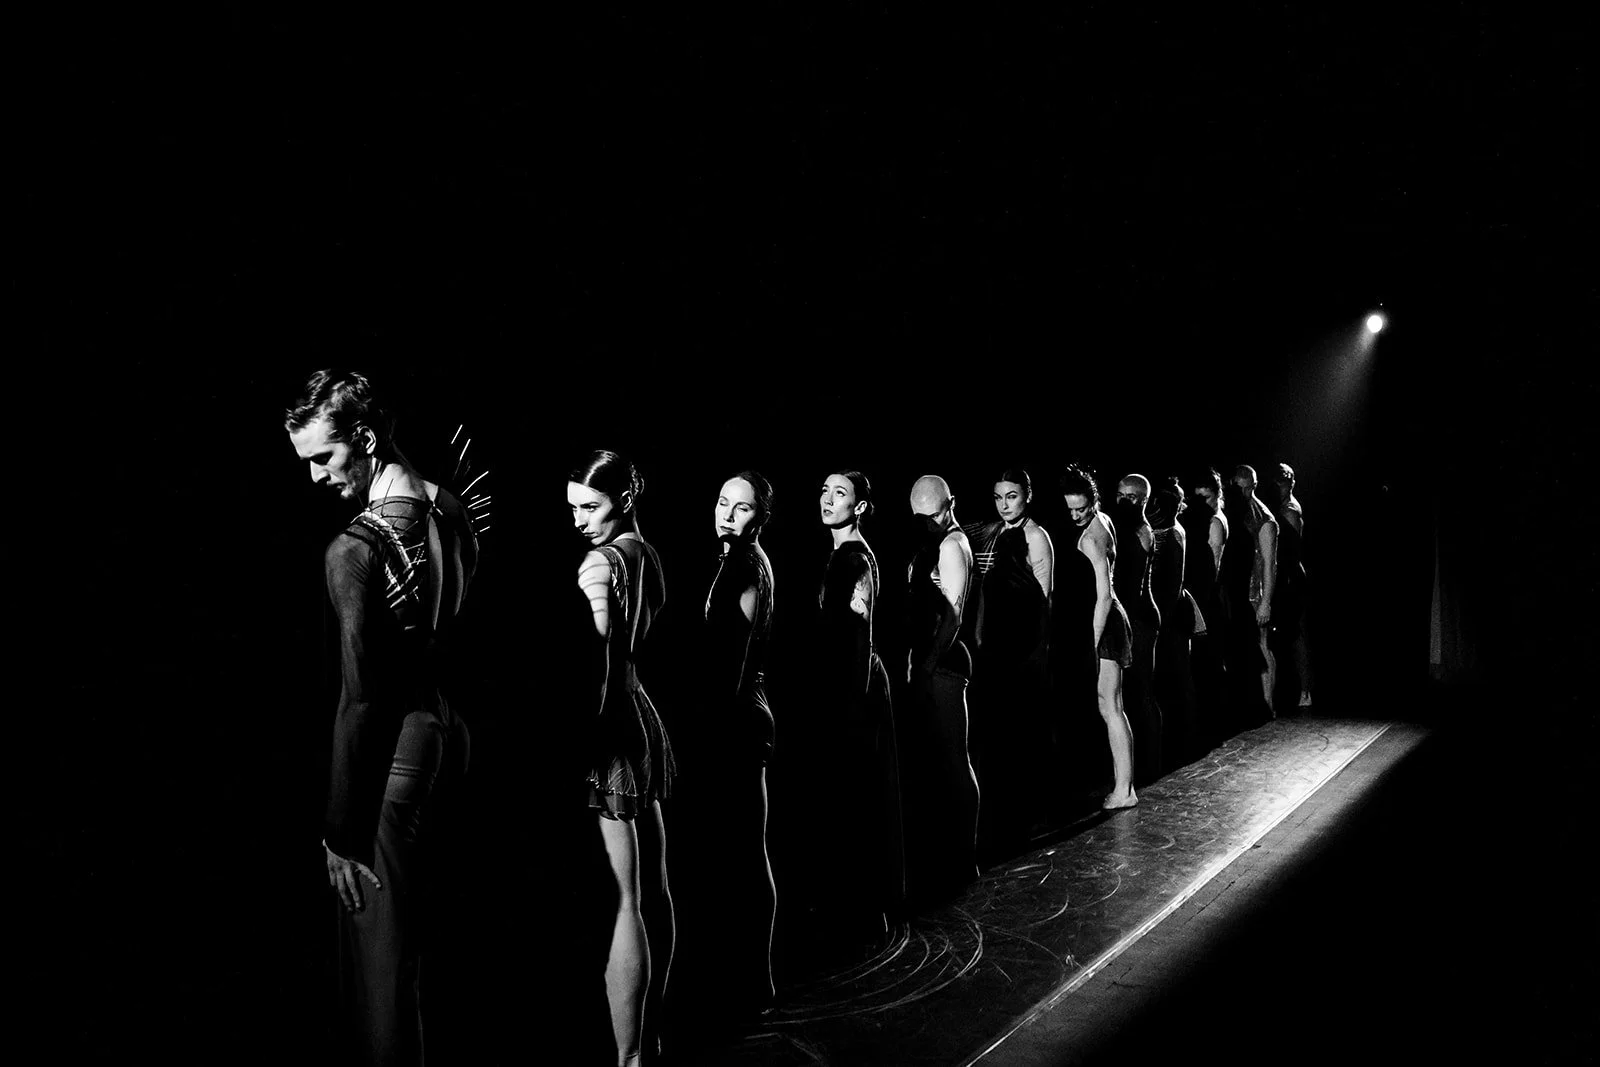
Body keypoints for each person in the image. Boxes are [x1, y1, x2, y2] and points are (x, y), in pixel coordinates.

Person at [286, 369, 478, 1066]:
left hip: (391, 761)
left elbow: (361, 697)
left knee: (381, 977)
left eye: (323, 457)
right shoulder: (447, 506)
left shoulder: (353, 550)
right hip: (449, 737)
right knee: (431, 956)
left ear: (363, 438)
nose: (314, 477)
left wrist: (340, 829)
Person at [570, 450, 676, 1067]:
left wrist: (591, 738)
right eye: (573, 509)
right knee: (652, 889)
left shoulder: (600, 564)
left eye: (592, 507)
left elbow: (604, 662)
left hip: (616, 726)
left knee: (626, 897)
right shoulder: (645, 552)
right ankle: (652, 1037)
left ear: (624, 499)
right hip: (643, 714)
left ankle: (631, 1055)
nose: (580, 521)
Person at [817, 470, 905, 938]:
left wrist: (851, 703)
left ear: (862, 506)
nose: (828, 499)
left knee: (860, 789)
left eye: (840, 493)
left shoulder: (854, 558)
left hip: (857, 687)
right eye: (826, 491)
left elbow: (859, 634)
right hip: (848, 682)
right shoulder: (840, 554)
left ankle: (866, 913)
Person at [702, 470, 778, 1012]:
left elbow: (728, 666)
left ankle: (754, 981)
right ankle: (751, 979)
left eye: (742, 507)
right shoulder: (742, 561)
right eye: (723, 503)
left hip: (739, 719)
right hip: (744, 715)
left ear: (761, 516)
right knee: (744, 851)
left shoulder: (742, 566)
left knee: (745, 853)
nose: (727, 514)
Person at [963, 468, 1055, 857]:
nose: (1004, 505)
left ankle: (1027, 815)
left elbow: (1045, 598)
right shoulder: (995, 533)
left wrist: (1039, 651)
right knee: (999, 731)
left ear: (1027, 496)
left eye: (1011, 496)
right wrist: (981, 632)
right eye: (999, 497)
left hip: (1025, 645)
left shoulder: (1036, 536)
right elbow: (984, 589)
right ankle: (1001, 814)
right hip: (996, 645)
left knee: (1023, 729)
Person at [903, 475, 980, 894]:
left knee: (954, 758)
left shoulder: (952, 544)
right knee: (938, 762)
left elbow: (954, 615)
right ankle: (948, 854)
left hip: (946, 662)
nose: (928, 525)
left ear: (950, 505)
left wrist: (928, 665)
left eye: (933, 516)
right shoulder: (932, 540)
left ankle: (965, 859)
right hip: (932, 661)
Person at [1062, 465, 1137, 810]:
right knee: (1110, 705)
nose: (1076, 515)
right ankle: (1123, 785)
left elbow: (1103, 595)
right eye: (1071, 509)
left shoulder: (1091, 537)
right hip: (1110, 619)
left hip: (1106, 621)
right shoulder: (1104, 520)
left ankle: (1125, 789)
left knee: (1111, 707)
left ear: (1094, 501)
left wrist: (1091, 643)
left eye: (1082, 508)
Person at [1113, 474, 1163, 786]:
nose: (1123, 499)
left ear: (1143, 500)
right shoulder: (1126, 526)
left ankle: (1152, 763)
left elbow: (1133, 585)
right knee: (1133, 693)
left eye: (1131, 496)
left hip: (1142, 618)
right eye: (1120, 493)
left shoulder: (1141, 531)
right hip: (1136, 615)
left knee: (1142, 690)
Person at [1148, 477, 1200, 769]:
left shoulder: (1174, 533)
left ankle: (1185, 740)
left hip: (1172, 612)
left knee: (1180, 675)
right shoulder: (1161, 529)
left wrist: (1164, 618)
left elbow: (1174, 582)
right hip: (1165, 609)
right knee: (1171, 677)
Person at [1223, 465, 1279, 721]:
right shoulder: (1233, 510)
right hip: (1238, 591)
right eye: (1240, 487)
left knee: (1262, 646)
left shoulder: (1263, 519)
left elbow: (1270, 563)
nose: (1244, 492)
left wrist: (1266, 601)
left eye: (1249, 488)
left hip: (1255, 593)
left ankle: (1268, 704)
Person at [1183, 468, 1230, 744]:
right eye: (1197, 496)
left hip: (1208, 597)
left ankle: (1214, 723)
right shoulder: (1202, 517)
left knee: (1210, 660)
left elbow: (1214, 565)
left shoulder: (1214, 521)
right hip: (1201, 594)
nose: (1202, 501)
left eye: (1207, 496)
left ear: (1217, 494)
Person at [1268, 462, 1313, 711]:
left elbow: (1291, 550)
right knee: (1288, 634)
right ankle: (1294, 688)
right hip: (1286, 573)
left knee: (1297, 634)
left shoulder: (1290, 510)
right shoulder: (1282, 507)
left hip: (1291, 575)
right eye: (1277, 481)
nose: (1280, 485)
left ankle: (1306, 690)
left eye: (1284, 481)